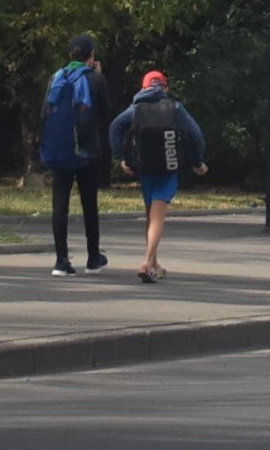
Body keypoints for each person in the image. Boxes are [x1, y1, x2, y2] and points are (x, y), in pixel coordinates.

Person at [110, 69, 206, 282]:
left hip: (144, 167)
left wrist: (122, 157)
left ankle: (154, 262)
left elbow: (115, 127)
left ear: (143, 88)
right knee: (157, 216)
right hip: (168, 167)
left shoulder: (136, 108)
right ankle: (147, 263)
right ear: (166, 88)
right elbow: (195, 134)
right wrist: (197, 162)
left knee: (150, 215)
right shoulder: (175, 108)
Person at [36, 35, 113, 275]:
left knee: (60, 204)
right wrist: (98, 75)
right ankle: (93, 258)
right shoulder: (96, 79)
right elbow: (105, 113)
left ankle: (61, 260)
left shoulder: (57, 77)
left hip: (60, 149)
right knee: (89, 203)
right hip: (87, 151)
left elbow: (44, 113)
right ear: (91, 55)